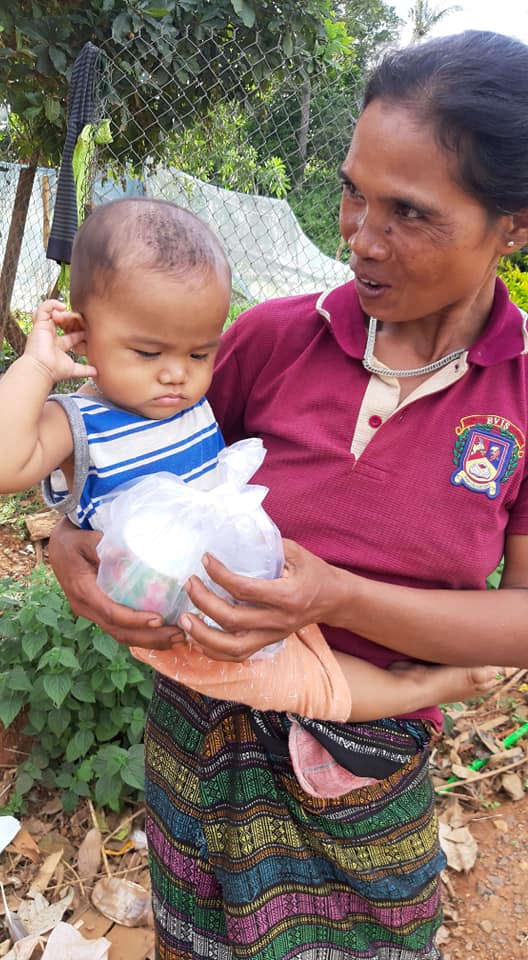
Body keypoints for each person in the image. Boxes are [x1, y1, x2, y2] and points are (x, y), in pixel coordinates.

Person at [46, 29, 528, 960]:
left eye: (409, 213)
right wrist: (71, 550)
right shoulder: (268, 341)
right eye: (354, 192)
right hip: (200, 736)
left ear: (514, 224)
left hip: (361, 763)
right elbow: (128, 467)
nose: (360, 237)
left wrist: (336, 597)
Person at [0, 196, 490, 737]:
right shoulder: (77, 423)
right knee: (297, 679)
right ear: (83, 332)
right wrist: (37, 365)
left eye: (198, 354)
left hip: (241, 582)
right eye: (148, 353)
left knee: (295, 646)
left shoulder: (187, 404)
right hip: (175, 609)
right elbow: (6, 465)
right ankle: (424, 689)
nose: (176, 375)